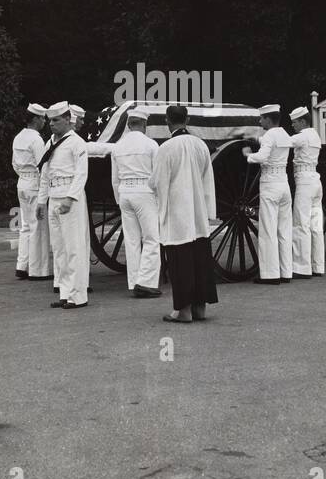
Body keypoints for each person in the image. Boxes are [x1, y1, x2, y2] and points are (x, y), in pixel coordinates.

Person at [152, 104, 218, 323]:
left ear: (167, 121)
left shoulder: (167, 148)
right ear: (187, 120)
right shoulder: (200, 145)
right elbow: (208, 180)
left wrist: (160, 211)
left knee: (180, 260)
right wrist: (208, 210)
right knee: (200, 257)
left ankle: (183, 310)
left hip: (177, 213)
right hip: (197, 212)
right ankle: (200, 307)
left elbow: (159, 183)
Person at [87, 106, 161, 297]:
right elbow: (157, 176)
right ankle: (148, 283)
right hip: (144, 192)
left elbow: (115, 178)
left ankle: (133, 282)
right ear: (144, 124)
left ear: (128, 124)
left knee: (132, 240)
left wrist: (119, 199)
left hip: (125, 193)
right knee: (152, 238)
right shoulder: (151, 145)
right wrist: (158, 198)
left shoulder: (119, 146)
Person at [35, 102, 89, 309]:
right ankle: (65, 293)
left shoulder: (76, 143)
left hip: (69, 198)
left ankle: (78, 296)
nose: (52, 124)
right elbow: (44, 173)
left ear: (68, 119)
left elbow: (81, 173)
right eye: (50, 121)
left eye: (56, 120)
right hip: (53, 196)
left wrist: (70, 198)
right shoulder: (50, 143)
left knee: (73, 247)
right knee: (59, 248)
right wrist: (42, 200)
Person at [246, 104, 293, 284]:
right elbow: (272, 147)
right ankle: (286, 271)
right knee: (284, 230)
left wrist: (248, 156)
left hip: (270, 185)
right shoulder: (284, 134)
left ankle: (270, 275)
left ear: (268, 118)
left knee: (268, 231)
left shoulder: (269, 136)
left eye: (261, 118)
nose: (260, 121)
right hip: (284, 185)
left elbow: (263, 156)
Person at [11, 104, 47, 279]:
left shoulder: (18, 137)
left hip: (22, 182)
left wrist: (24, 175)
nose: (44, 121)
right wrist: (43, 188)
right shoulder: (36, 139)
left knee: (25, 226)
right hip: (34, 182)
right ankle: (35, 270)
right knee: (36, 227)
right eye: (42, 118)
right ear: (35, 119)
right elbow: (42, 166)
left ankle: (21, 265)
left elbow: (14, 164)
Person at [288, 106, 324, 279]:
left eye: (294, 122)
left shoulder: (303, 137)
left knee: (301, 224)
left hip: (304, 182)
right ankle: (318, 266)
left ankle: (302, 267)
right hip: (316, 181)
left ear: (302, 121)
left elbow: (283, 142)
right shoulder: (315, 135)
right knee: (315, 226)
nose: (292, 125)